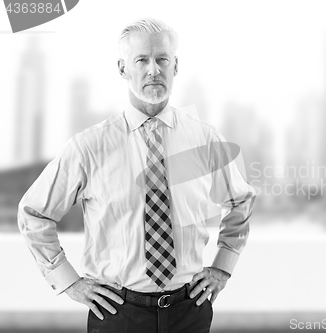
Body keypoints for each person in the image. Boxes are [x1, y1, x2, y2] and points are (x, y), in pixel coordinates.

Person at [18, 18, 256, 333]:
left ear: (175, 66)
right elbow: (34, 214)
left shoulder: (205, 138)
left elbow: (241, 200)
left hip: (190, 311)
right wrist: (68, 281)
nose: (153, 70)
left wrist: (222, 268)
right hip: (117, 313)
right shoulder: (89, 147)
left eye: (162, 59)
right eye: (141, 60)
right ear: (122, 69)